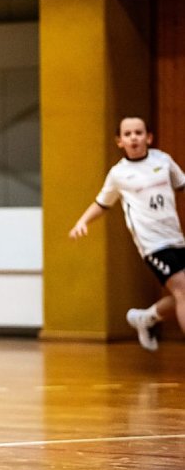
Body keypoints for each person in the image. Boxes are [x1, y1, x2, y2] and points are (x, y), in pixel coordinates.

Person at [69, 116, 185, 352]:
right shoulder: (118, 174)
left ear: (149, 137)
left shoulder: (163, 161)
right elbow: (102, 203)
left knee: (183, 291)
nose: (134, 137)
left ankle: (147, 317)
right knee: (182, 289)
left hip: (176, 237)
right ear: (119, 141)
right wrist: (83, 221)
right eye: (128, 134)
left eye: (139, 133)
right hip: (152, 244)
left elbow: (181, 183)